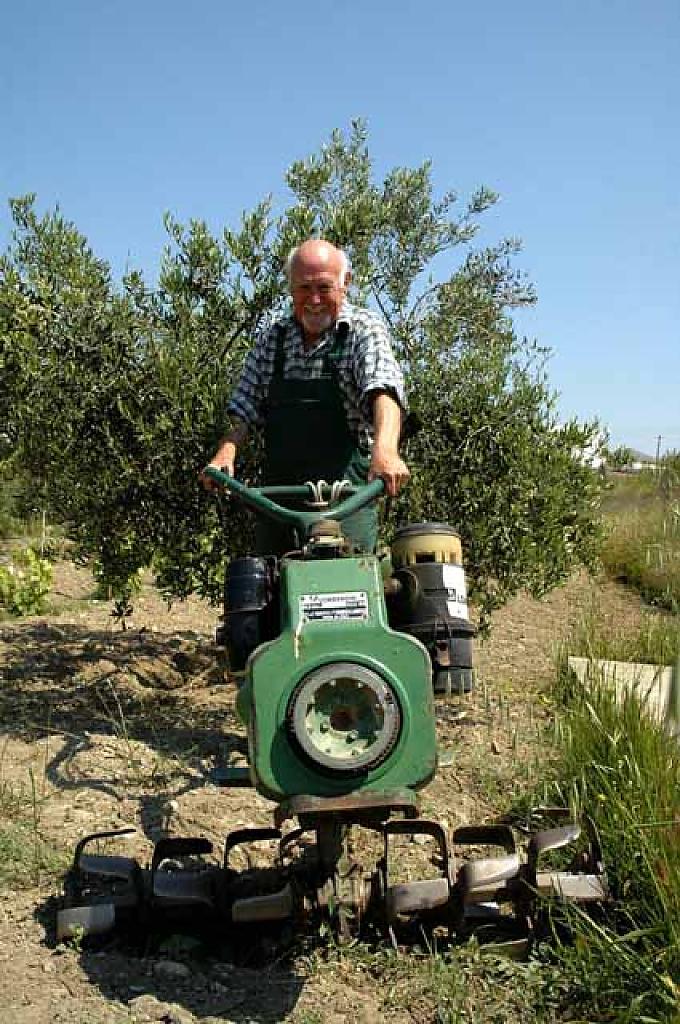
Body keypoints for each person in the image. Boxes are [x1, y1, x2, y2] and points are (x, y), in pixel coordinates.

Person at [201, 239, 409, 553]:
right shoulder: (274, 337)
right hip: (280, 503)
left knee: (355, 588)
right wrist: (226, 453)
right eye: (303, 288)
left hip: (347, 499)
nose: (314, 300)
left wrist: (386, 451)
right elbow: (245, 405)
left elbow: (384, 390)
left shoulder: (362, 330)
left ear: (345, 284)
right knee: (260, 590)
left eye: (324, 287)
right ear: (290, 289)